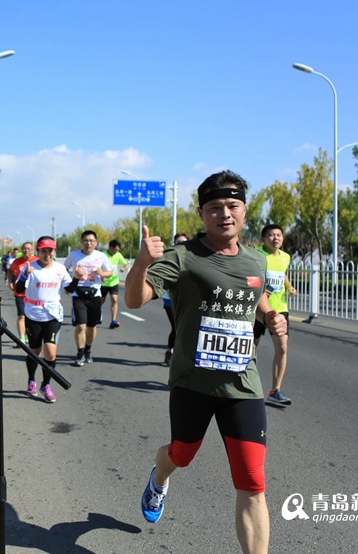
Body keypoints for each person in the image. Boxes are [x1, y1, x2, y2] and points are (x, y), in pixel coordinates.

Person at [124, 170, 286, 553]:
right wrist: (141, 263)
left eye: (232, 206)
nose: (225, 214)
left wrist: (268, 316)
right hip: (192, 384)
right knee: (181, 454)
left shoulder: (256, 261)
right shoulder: (183, 258)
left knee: (252, 483)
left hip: (242, 385)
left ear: (245, 211)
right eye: (215, 207)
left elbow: (254, 297)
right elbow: (133, 300)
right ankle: (159, 478)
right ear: (201, 214)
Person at [14, 236, 73, 403]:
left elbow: (69, 289)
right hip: (33, 314)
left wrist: (76, 278)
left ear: (54, 251)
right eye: (44, 250)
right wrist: (25, 275)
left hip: (53, 314)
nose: (47, 254)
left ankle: (46, 385)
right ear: (38, 251)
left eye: (50, 250)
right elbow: (18, 289)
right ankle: (31, 380)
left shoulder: (60, 269)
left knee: (51, 351)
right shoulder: (30, 267)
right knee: (34, 351)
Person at [254, 224, 297, 405]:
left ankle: (275, 390)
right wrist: (260, 290)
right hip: (257, 308)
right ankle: (243, 384)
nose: (276, 238)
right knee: (249, 348)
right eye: (271, 235)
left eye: (279, 235)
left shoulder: (286, 257)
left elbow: (282, 274)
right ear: (264, 239)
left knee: (282, 347)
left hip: (279, 309)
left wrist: (289, 287)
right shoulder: (256, 255)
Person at [63, 230, 113, 366]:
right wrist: (71, 282)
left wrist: (102, 273)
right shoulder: (73, 255)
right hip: (78, 295)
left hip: (95, 294)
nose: (88, 243)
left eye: (91, 240)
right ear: (81, 242)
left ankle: (88, 350)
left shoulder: (101, 256)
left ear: (96, 243)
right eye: (85, 240)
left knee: (92, 326)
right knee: (81, 326)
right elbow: (63, 270)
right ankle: (79, 353)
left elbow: (110, 272)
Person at [161, 233, 190, 366]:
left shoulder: (192, 258)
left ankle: (176, 353)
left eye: (184, 242)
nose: (181, 244)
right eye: (179, 242)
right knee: (177, 327)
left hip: (186, 299)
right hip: (170, 299)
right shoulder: (169, 256)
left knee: (184, 328)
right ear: (174, 243)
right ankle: (171, 352)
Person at [7, 242, 38, 345]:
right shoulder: (17, 262)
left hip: (33, 294)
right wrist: (10, 282)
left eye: (29, 248)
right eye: (24, 248)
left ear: (32, 250)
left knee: (31, 317)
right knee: (21, 316)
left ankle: (30, 335)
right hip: (20, 293)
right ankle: (21, 338)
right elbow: (10, 271)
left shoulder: (37, 261)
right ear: (22, 250)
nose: (26, 250)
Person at [101, 239, 128, 329]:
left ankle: (113, 320)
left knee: (114, 300)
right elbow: (97, 266)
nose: (116, 252)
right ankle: (97, 314)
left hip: (114, 282)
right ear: (110, 247)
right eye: (115, 250)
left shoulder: (118, 255)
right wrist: (102, 276)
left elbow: (126, 264)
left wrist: (124, 268)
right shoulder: (102, 255)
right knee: (101, 301)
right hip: (103, 283)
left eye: (117, 250)